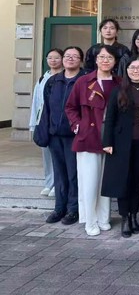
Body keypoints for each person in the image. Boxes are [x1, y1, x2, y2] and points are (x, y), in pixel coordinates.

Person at [101, 57, 139, 238]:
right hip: (121, 144)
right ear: (127, 70)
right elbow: (110, 118)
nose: (136, 71)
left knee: (137, 182)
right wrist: (107, 142)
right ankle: (125, 218)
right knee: (123, 181)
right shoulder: (118, 90)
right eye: (132, 68)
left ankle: (134, 215)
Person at [65, 45, 121, 236]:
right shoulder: (83, 81)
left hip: (111, 138)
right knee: (89, 183)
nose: (105, 61)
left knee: (106, 181)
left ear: (115, 61)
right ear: (96, 60)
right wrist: (77, 125)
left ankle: (104, 218)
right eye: (102, 57)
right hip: (88, 137)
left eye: (109, 58)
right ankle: (90, 221)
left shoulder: (119, 82)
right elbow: (70, 107)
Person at [36, 46, 84, 226]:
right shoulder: (53, 81)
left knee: (73, 173)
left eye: (75, 56)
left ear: (80, 60)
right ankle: (59, 208)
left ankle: (73, 209)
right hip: (55, 135)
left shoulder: (84, 80)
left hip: (74, 135)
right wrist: (45, 131)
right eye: (67, 56)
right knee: (59, 174)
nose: (70, 58)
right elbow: (46, 108)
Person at [30, 48, 63, 198]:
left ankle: (58, 184)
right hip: (43, 122)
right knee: (47, 155)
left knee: (59, 155)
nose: (53, 60)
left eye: (56, 58)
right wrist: (34, 123)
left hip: (58, 122)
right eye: (50, 58)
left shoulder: (64, 77)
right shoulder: (42, 79)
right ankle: (49, 183)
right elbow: (36, 103)